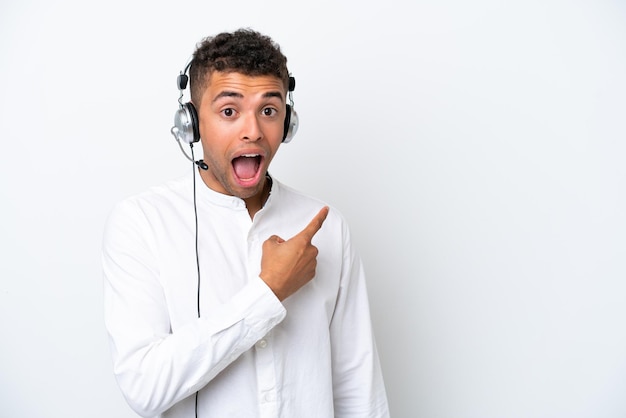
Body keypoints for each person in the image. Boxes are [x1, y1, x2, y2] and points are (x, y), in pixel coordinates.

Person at [102, 28, 389, 418]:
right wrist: (268, 291)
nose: (253, 130)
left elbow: (358, 390)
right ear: (192, 124)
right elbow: (144, 387)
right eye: (229, 111)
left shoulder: (327, 226)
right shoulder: (142, 224)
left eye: (269, 110)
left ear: (287, 122)